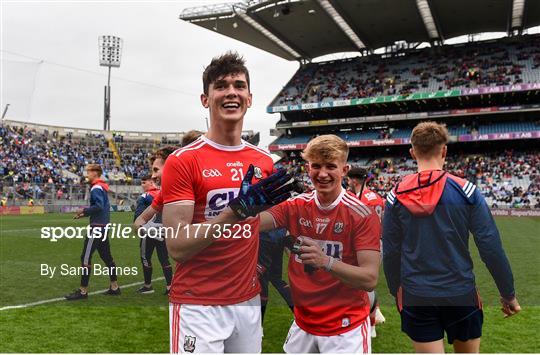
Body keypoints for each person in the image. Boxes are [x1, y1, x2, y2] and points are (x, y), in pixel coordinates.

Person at [161, 52, 295, 353]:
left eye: (239, 85)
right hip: (198, 303)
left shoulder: (262, 161)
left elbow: (259, 223)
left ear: (249, 98)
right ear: (205, 99)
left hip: (247, 300)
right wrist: (235, 211)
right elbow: (178, 247)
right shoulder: (183, 161)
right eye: (221, 86)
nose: (231, 91)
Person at [382, 121, 521, 353]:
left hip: (416, 295)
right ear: (444, 150)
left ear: (412, 152)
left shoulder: (394, 196)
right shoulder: (466, 190)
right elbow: (490, 247)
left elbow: (391, 251)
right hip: (460, 292)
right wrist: (508, 294)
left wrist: (395, 289)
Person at [259, 134, 382, 353]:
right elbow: (252, 225)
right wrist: (246, 206)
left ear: (344, 170)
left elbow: (370, 278)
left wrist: (325, 261)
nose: (322, 173)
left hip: (345, 328)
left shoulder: (362, 214)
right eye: (316, 166)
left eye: (330, 166)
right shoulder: (295, 205)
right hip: (303, 323)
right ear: (308, 168)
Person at [65, 164, 120, 300]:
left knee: (85, 257)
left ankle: (83, 292)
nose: (86, 175)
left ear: (95, 173)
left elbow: (98, 206)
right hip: (103, 227)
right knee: (107, 258)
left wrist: (83, 210)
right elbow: (99, 207)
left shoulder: (96, 187)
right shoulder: (101, 186)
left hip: (96, 228)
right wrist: (84, 214)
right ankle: (115, 287)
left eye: (88, 172)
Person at [347, 167, 386, 338]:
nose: (348, 182)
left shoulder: (358, 199)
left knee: (361, 283)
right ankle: (374, 313)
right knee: (368, 282)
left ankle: (370, 322)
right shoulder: (376, 197)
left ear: (355, 180)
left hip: (365, 246)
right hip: (379, 242)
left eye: (349, 179)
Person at [134, 174, 172, 295]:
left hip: (148, 232)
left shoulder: (145, 196)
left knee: (145, 258)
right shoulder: (163, 193)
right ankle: (170, 286)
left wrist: (139, 227)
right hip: (162, 230)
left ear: (151, 182)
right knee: (164, 259)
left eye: (144, 182)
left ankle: (148, 285)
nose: (142, 185)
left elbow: (138, 216)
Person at [258, 227, 294, 323]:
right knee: (276, 278)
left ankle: (258, 325)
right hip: (279, 236)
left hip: (264, 238)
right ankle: (301, 313)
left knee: (262, 282)